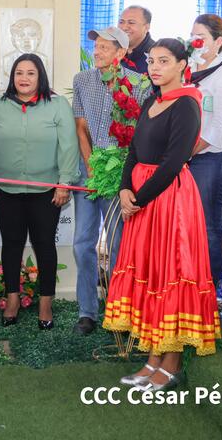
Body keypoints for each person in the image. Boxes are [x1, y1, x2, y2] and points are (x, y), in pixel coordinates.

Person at [105, 38, 219, 392]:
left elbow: (174, 162)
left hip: (169, 201)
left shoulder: (187, 104)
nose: (155, 67)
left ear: (182, 65)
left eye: (164, 61)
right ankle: (153, 359)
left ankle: (171, 363)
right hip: (142, 199)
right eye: (152, 61)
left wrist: (137, 198)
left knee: (169, 274)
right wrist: (125, 188)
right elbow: (134, 151)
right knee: (151, 275)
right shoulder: (151, 101)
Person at [0, 53, 78, 331]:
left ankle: (45, 303)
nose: (24, 78)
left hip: (46, 190)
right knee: (11, 244)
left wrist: (64, 182)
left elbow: (69, 145)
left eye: (31, 73)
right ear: (12, 77)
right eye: (19, 73)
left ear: (41, 77)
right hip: (5, 189)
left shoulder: (57, 105)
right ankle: (12, 299)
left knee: (44, 245)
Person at [71, 26, 150, 335]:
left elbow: (141, 134)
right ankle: (87, 312)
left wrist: (124, 174)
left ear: (122, 52)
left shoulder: (139, 85)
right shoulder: (82, 80)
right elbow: (81, 127)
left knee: (118, 245)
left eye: (105, 47)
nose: (98, 51)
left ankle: (119, 311)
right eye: (96, 46)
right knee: (82, 244)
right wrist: (91, 165)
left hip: (120, 175)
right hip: (89, 172)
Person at [187, 15, 222, 286]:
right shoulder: (190, 68)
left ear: (218, 41)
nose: (194, 42)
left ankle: (212, 286)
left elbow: (218, 128)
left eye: (200, 37)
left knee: (208, 222)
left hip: (214, 156)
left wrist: (184, 154)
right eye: (192, 36)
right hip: (190, 155)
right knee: (189, 222)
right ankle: (191, 282)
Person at [119, 5, 154, 74]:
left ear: (146, 27)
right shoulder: (114, 48)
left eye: (131, 22)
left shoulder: (155, 55)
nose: (124, 27)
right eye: (121, 22)